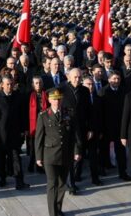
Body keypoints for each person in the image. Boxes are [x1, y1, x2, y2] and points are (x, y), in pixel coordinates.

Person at [35, 88, 82, 216]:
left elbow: (75, 135)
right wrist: (38, 156)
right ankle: (52, 213)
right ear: (49, 100)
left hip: (66, 154)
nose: (57, 102)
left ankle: (58, 209)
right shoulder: (43, 116)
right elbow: (39, 138)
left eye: (59, 99)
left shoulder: (69, 114)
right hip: (49, 155)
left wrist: (77, 151)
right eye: (54, 99)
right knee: (52, 184)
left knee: (62, 185)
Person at [0, 75, 30, 189]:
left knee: (16, 158)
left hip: (15, 134)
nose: (10, 86)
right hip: (0, 135)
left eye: (11, 84)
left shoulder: (18, 96)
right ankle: (2, 178)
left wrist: (24, 129)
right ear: (2, 85)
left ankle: (19, 181)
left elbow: (23, 115)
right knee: (1, 159)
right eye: (7, 84)